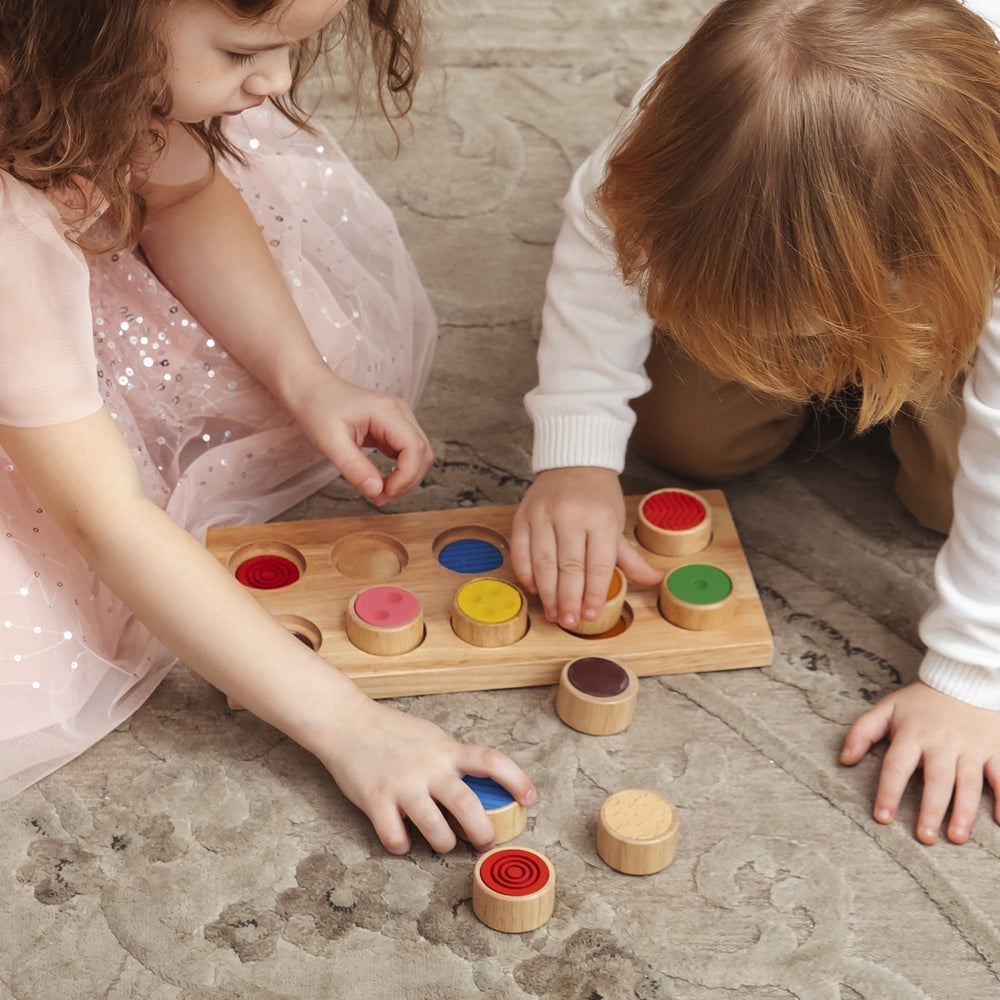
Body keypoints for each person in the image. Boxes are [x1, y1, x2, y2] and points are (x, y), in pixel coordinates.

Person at [0, 0, 535, 854]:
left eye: (295, 47)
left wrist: (306, 379)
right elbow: (106, 520)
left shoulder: (90, 74)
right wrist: (350, 727)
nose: (281, 81)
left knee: (303, 345)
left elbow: (178, 196)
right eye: (246, 49)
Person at [511, 0, 1000, 846]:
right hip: (850, 261)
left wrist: (971, 675)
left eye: (804, 335)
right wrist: (577, 454)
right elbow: (602, 238)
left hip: (951, 303)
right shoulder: (676, 136)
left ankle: (896, 356)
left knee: (948, 503)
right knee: (682, 442)